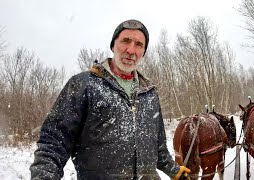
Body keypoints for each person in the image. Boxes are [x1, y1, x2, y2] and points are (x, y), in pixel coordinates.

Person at [30, 19, 190, 180]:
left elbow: (159, 148)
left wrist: (174, 170)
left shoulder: (149, 94)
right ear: (113, 45)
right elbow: (53, 143)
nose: (131, 50)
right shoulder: (84, 85)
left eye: (139, 45)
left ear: (143, 52)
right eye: (125, 41)